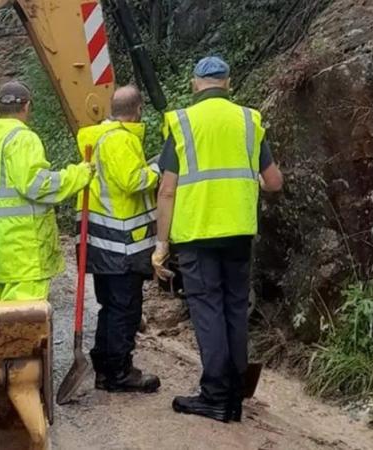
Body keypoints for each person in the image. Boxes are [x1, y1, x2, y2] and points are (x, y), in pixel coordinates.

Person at [152, 57, 283, 422]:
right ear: (228, 83)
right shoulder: (248, 121)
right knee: (234, 308)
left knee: (208, 309)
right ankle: (235, 395)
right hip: (239, 232)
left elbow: (167, 190)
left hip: (197, 233)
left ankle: (215, 396)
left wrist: (161, 244)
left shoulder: (182, 123)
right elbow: (274, 182)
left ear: (195, 84)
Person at [0, 81, 94, 302]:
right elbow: (37, 186)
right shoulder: (23, 138)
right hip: (22, 254)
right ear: (27, 107)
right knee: (23, 329)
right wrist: (79, 174)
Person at [76, 85, 161, 393]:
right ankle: (118, 372)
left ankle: (105, 367)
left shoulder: (99, 138)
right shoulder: (120, 139)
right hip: (122, 243)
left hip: (102, 243)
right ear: (137, 110)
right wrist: (158, 168)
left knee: (111, 307)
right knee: (124, 309)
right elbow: (132, 181)